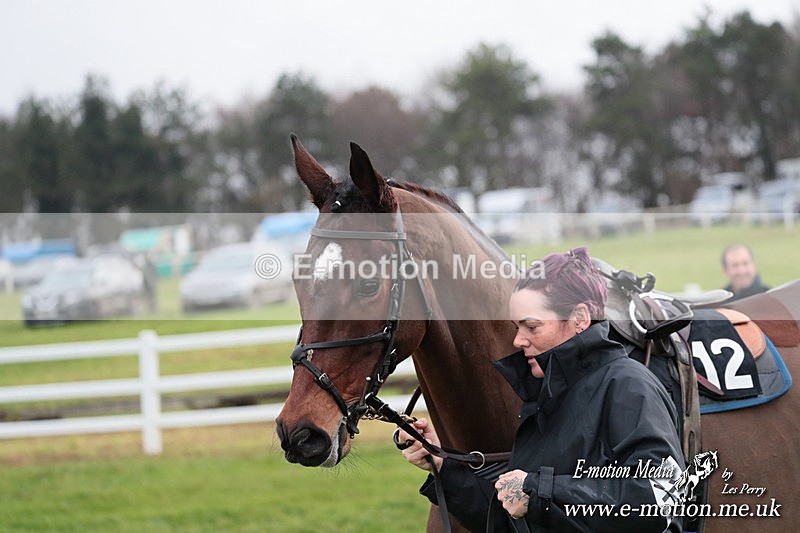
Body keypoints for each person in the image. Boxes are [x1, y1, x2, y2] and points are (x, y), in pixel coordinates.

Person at [398, 247, 686, 532]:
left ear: (580, 318)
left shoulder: (629, 387)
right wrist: (442, 466)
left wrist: (536, 491)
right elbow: (511, 517)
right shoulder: (544, 394)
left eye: (531, 327)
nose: (518, 341)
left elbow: (661, 499)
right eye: (516, 328)